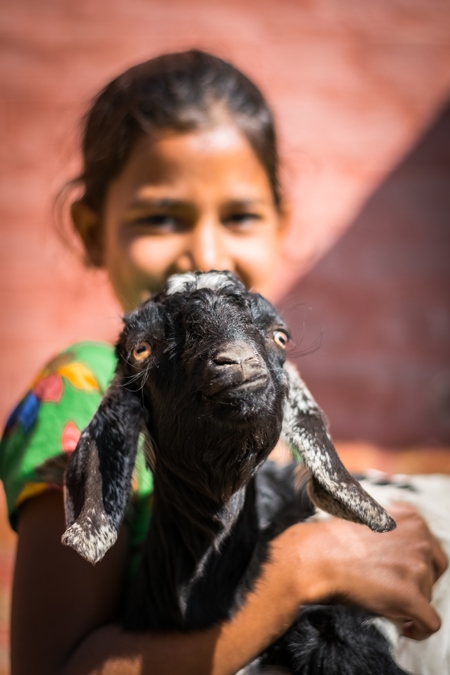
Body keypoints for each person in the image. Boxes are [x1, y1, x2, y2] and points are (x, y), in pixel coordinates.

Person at [0, 50, 447, 675]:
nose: (204, 252)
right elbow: (53, 667)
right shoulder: (84, 386)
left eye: (239, 216)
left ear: (281, 221)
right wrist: (302, 572)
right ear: (91, 228)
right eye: (160, 216)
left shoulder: (261, 372)